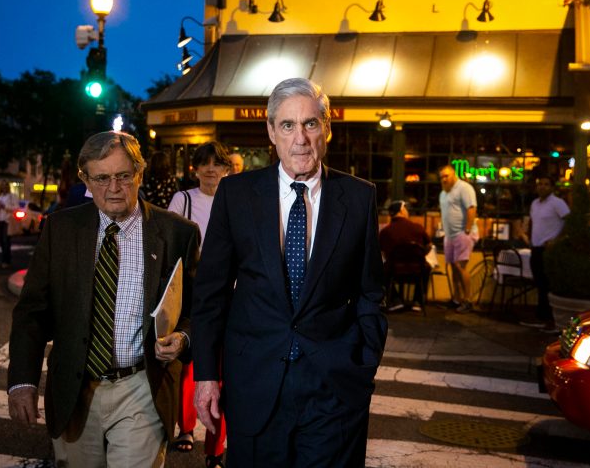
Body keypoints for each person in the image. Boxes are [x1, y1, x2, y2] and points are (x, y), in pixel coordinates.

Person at [192, 77, 387, 467]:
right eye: (287, 125)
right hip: (255, 383)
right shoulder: (237, 195)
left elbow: (370, 293)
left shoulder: (359, 197)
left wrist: (362, 364)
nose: (300, 138)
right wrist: (206, 376)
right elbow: (210, 292)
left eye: (310, 124)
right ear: (271, 132)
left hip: (334, 388)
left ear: (326, 129)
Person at [7, 131, 200, 468]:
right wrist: (22, 380)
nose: (113, 187)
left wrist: (183, 338)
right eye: (102, 178)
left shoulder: (177, 233)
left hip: (142, 387)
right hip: (76, 389)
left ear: (139, 174)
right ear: (85, 179)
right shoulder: (61, 229)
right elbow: (32, 312)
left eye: (123, 176)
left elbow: (199, 309)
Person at [167, 141, 231, 468]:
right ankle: (186, 427)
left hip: (231, 294)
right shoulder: (184, 200)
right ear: (196, 169)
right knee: (192, 362)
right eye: (204, 164)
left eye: (217, 164)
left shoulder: (235, 199)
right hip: (193, 291)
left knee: (224, 368)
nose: (210, 170)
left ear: (226, 169)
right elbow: (168, 240)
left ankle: (216, 449)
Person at [519, 175, 569, 331]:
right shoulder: (535, 203)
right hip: (536, 247)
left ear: (552, 187)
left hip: (550, 249)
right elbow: (534, 222)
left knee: (548, 284)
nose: (542, 187)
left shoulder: (557, 203)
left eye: (546, 184)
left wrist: (557, 240)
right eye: (540, 183)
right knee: (540, 283)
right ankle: (542, 318)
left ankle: (551, 320)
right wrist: (529, 236)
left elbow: (569, 221)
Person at [438, 164, 478, 313]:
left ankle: (468, 300)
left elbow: (471, 208)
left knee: (461, 267)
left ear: (454, 174)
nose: (444, 179)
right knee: (453, 268)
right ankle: (456, 299)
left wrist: (467, 230)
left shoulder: (464, 188)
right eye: (442, 177)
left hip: (462, 234)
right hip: (449, 235)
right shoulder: (444, 192)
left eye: (446, 176)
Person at [380, 200, 432, 313]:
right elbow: (429, 245)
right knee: (426, 267)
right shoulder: (417, 227)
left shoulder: (385, 231)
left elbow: (383, 253)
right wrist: (421, 255)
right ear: (402, 210)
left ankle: (395, 299)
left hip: (394, 270)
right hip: (417, 270)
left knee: (379, 269)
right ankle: (417, 301)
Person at [0, 180, 19, 269]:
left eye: (5, 185)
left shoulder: (12, 196)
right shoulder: (0, 196)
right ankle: (4, 260)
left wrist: (5, 207)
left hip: (7, 220)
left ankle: (6, 261)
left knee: (6, 241)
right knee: (1, 241)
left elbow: (16, 207)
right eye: (2, 185)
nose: (3, 187)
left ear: (8, 187)